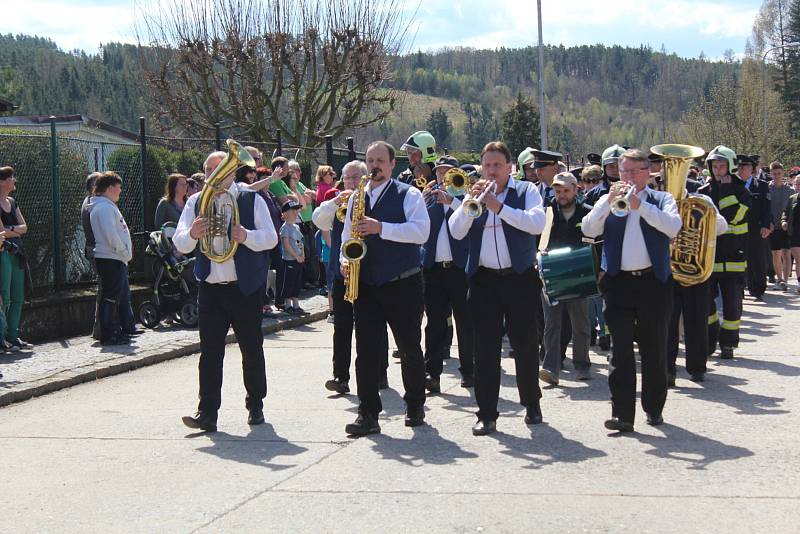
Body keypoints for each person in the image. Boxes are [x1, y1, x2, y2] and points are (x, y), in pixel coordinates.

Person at [174, 150, 278, 433]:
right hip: (210, 287)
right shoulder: (196, 201)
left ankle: (255, 403)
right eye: (208, 171)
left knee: (251, 348)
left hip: (244, 287)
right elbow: (180, 242)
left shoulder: (249, 198)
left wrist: (246, 236)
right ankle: (207, 412)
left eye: (219, 170)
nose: (213, 177)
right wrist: (193, 234)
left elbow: (270, 238)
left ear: (232, 172)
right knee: (209, 352)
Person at [449, 141, 546, 436]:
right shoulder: (474, 194)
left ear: (509, 168)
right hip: (484, 280)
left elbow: (536, 222)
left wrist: (500, 208)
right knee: (485, 349)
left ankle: (531, 402)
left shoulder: (526, 191)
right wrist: (469, 207)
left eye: (496, 165)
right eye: (486, 166)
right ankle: (487, 414)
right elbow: (455, 230)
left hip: (519, 277)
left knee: (525, 344)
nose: (491, 171)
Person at [582, 148, 682, 432]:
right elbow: (588, 230)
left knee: (654, 349)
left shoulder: (662, 199)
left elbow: (673, 228)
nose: (626, 176)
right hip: (618, 282)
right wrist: (607, 204)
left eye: (633, 171)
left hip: (654, 282)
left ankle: (653, 408)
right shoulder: (607, 198)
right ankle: (622, 414)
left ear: (647, 173)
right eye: (623, 170)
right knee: (620, 351)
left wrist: (642, 206)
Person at [340, 141, 430, 437]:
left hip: (402, 282)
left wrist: (382, 228)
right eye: (370, 160)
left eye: (380, 160)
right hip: (366, 284)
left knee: (408, 347)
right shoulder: (357, 198)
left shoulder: (410, 194)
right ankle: (368, 413)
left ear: (393, 164)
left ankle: (415, 403)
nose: (375, 165)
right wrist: (344, 260)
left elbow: (421, 232)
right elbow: (345, 237)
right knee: (365, 351)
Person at [312, 160, 390, 395]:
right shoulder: (337, 202)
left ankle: (379, 372)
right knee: (342, 326)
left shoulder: (373, 200)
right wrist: (336, 201)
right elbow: (318, 220)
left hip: (369, 272)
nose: (352, 182)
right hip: (343, 270)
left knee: (375, 325)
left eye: (356, 177)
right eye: (348, 178)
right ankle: (340, 376)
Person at [667, 176, 728, 386]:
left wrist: (700, 224)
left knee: (696, 322)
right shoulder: (657, 203)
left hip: (695, 273)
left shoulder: (701, 201)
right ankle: (667, 370)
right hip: (667, 273)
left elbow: (723, 226)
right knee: (667, 324)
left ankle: (697, 367)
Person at [421, 155, 474, 392]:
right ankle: (432, 373)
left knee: (465, 321)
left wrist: (452, 201)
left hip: (459, 268)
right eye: (440, 172)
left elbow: (471, 217)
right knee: (434, 323)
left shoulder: (466, 198)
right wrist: (423, 200)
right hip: (433, 268)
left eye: (448, 172)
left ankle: (469, 371)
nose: (443, 176)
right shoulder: (429, 198)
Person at [537, 172, 593, 385]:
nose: (561, 195)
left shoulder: (587, 213)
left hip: (580, 274)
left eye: (566, 190)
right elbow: (539, 244)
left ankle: (582, 364)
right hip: (552, 274)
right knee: (552, 324)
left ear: (576, 190)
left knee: (581, 323)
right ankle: (551, 367)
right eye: (557, 191)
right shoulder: (547, 214)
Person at [700, 146, 751, 360]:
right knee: (706, 304)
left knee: (732, 306)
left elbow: (732, 217)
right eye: (714, 165)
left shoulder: (742, 191)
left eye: (722, 165)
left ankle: (728, 344)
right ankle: (710, 339)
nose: (718, 169)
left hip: (733, 258)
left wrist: (727, 190)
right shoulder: (703, 191)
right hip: (709, 258)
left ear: (730, 166)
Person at [88, 172, 135, 346]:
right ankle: (109, 334)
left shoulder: (106, 206)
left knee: (113, 297)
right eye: (118, 187)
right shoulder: (104, 208)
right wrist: (123, 251)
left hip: (114, 258)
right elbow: (111, 234)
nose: (120, 191)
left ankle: (114, 331)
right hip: (111, 258)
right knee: (110, 298)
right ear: (109, 188)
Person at [739, 155, 771, 300]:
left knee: (757, 259)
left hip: (755, 228)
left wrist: (765, 225)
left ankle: (757, 288)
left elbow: (766, 208)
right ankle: (739, 288)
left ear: (751, 169)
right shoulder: (734, 186)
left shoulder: (761, 185)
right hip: (738, 228)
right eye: (739, 167)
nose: (740, 170)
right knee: (739, 259)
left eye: (744, 167)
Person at [277, 200, 307, 315]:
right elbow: (286, 245)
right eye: (293, 210)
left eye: (296, 210)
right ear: (285, 213)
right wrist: (296, 256)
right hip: (289, 260)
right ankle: (288, 305)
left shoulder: (296, 227)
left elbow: (300, 241)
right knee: (289, 282)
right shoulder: (285, 228)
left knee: (297, 282)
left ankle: (296, 305)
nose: (296, 213)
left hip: (298, 259)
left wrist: (302, 254)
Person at [81, 172, 102, 340]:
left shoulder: (94, 203)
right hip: (97, 250)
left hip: (96, 249)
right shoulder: (91, 204)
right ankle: (100, 329)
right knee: (104, 290)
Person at [769, 163, 792, 291]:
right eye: (774, 173)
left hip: (786, 227)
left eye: (779, 173)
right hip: (772, 227)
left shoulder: (790, 190)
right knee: (776, 253)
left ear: (783, 173)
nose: (777, 176)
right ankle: (779, 279)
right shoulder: (767, 188)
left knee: (786, 253)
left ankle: (786, 280)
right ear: (770, 174)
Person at [781, 174, 800, 293]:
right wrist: (783, 221)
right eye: (797, 184)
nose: (798, 186)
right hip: (795, 234)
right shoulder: (792, 198)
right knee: (799, 260)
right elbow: (785, 212)